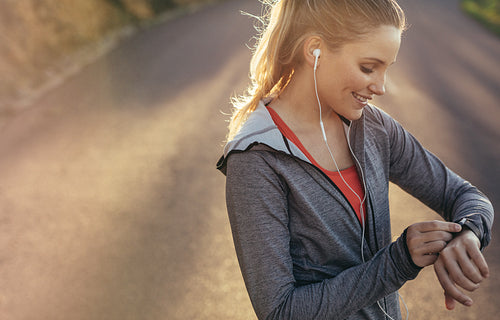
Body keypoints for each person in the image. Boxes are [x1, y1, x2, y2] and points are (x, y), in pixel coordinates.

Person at [216, 0, 494, 319]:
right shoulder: (256, 159)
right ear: (315, 50)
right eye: (368, 67)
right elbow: (281, 311)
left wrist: (467, 233)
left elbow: (464, 195)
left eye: (386, 68)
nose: (380, 87)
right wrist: (398, 261)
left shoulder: (374, 127)